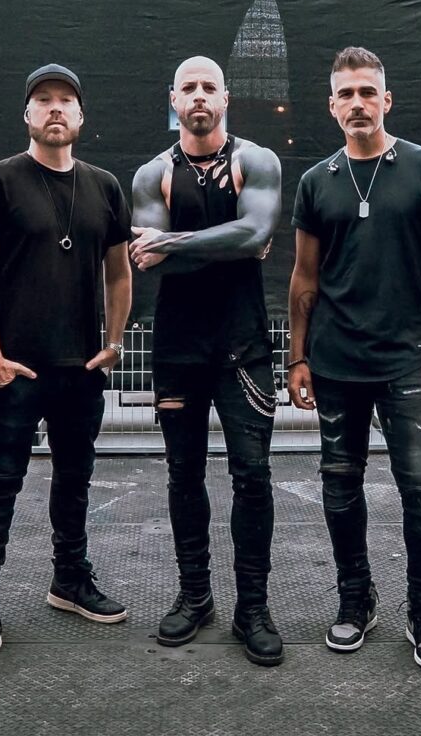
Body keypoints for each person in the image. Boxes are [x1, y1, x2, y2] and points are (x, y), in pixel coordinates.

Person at [288, 46, 421, 671]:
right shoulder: (317, 181)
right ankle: (355, 600)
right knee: (340, 487)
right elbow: (304, 276)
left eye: (368, 91)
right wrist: (297, 357)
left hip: (407, 361)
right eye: (347, 93)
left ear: (386, 100)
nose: (358, 102)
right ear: (332, 106)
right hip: (336, 363)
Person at [0, 64, 132, 654]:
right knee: (1, 481)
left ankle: (70, 579)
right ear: (27, 114)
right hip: (16, 368)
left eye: (65, 100)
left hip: (80, 367)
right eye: (43, 100)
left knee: (75, 479)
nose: (54, 108)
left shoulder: (104, 186)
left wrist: (113, 344)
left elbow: (119, 272)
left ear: (81, 116)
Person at [130, 56, 283, 666]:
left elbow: (255, 234)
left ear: (226, 98)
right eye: (188, 88)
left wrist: (176, 242)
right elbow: (148, 257)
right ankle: (195, 597)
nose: (198, 96)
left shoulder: (257, 161)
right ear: (173, 99)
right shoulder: (153, 174)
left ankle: (253, 608)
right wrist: (229, 241)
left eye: (208, 87)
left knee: (253, 475)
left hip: (242, 345)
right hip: (179, 347)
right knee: (183, 474)